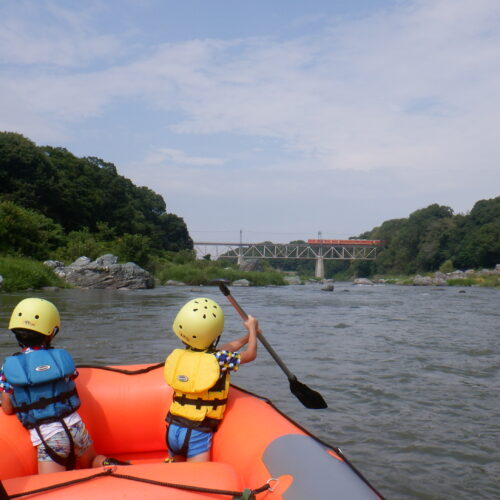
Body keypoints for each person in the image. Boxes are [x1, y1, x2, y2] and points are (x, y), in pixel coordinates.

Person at [0, 298, 129, 474]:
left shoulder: (10, 368)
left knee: (50, 487)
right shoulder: (60, 358)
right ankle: (127, 471)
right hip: (76, 426)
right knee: (93, 460)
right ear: (52, 332)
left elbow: (7, 408)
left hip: (48, 436)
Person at [164, 297, 259, 462]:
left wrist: (248, 336)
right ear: (214, 334)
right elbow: (250, 355)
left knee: (175, 472)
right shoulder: (219, 359)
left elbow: (224, 349)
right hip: (197, 432)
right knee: (199, 480)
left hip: (173, 428)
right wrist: (252, 329)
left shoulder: (180, 355)